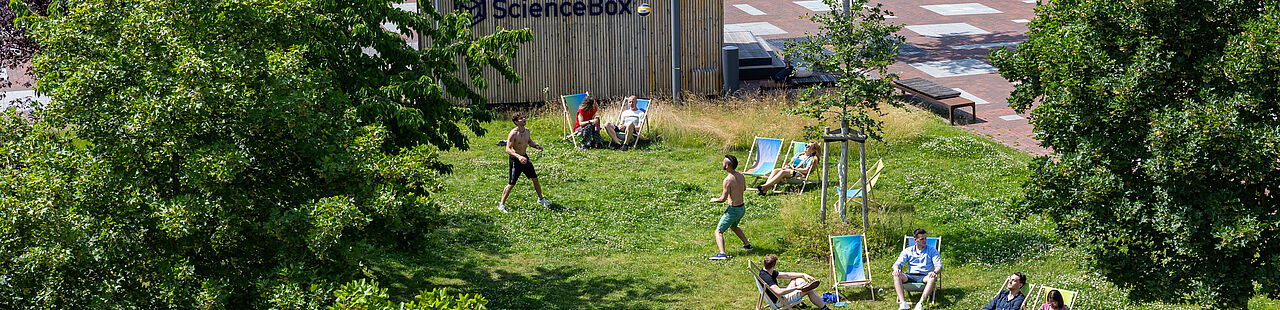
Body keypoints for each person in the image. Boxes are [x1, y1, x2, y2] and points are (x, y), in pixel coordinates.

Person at [498, 112, 550, 212]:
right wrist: (518, 157)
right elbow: (508, 149)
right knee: (511, 183)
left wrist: (536, 146)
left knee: (535, 178)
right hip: (515, 160)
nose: (524, 119)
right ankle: (501, 205)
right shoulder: (513, 133)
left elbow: (529, 141)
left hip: (525, 158)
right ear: (516, 122)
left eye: (523, 117)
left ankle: (541, 199)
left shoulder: (527, 131)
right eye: (521, 118)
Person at [708, 154, 752, 260]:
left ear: (727, 166)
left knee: (718, 231)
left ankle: (722, 254)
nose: (722, 164)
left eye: (723, 163)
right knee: (734, 226)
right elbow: (744, 188)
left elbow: (723, 199)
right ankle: (747, 245)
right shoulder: (741, 175)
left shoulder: (727, 180)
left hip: (733, 210)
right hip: (742, 208)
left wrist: (714, 199)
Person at [892, 228, 942, 310]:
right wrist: (896, 269)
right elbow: (897, 264)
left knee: (933, 277)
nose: (925, 241)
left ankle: (920, 303)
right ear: (915, 240)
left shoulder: (932, 250)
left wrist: (935, 272)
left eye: (925, 238)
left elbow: (939, 266)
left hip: (925, 277)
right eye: (922, 239)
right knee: (896, 275)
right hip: (910, 276)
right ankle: (903, 303)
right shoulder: (908, 251)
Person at [758, 254, 831, 310]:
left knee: (797, 279)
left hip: (779, 297)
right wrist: (797, 288)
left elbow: (787, 275)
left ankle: (804, 287)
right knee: (810, 290)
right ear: (774, 265)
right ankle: (824, 308)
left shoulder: (765, 271)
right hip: (780, 301)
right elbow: (779, 292)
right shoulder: (767, 278)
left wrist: (803, 274)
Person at [755, 142, 822, 194]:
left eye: (808, 146)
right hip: (790, 170)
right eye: (806, 145)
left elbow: (807, 170)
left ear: (813, 151)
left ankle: (764, 186)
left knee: (782, 172)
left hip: (799, 174)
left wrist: (794, 169)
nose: (806, 147)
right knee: (775, 170)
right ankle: (764, 190)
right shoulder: (798, 154)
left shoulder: (811, 159)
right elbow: (790, 163)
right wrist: (788, 166)